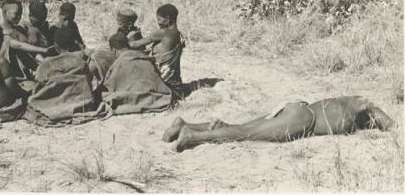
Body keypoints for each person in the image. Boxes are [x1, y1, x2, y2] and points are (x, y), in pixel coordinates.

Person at [162, 96, 396, 152]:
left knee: (242, 128)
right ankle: (193, 139)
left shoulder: (348, 104)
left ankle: (188, 125)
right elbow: (390, 125)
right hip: (304, 119)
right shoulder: (364, 105)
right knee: (246, 134)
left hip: (295, 108)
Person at [24, 27, 101, 126]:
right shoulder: (82, 62)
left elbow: (39, 83)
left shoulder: (47, 64)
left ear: (55, 46)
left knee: (31, 100)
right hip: (81, 103)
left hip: (54, 104)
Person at [100, 33, 173, 115]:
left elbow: (111, 85)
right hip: (158, 96)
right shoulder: (145, 57)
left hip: (134, 98)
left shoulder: (118, 64)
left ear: (114, 51)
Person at [129, 4, 185, 97]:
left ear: (167, 19)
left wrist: (125, 39)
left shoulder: (163, 32)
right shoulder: (178, 34)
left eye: (159, 19)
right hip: (175, 82)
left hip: (164, 81)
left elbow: (135, 44)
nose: (158, 22)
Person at [0, 0, 52, 80]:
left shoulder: (19, 29)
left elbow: (31, 51)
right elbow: (19, 45)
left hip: (28, 71)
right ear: (4, 13)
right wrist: (43, 50)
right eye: (16, 14)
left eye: (21, 14)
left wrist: (44, 62)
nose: (19, 17)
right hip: (11, 74)